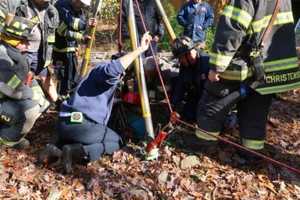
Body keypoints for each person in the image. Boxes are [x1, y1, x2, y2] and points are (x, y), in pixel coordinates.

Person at [195, 0, 300, 157]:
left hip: (242, 66)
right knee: (255, 115)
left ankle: (204, 147)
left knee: (212, 106)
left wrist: (217, 66)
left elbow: (232, 29)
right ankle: (251, 154)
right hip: (269, 70)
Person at [38, 32, 153, 173]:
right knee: (117, 141)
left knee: (81, 133)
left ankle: (56, 148)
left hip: (66, 122)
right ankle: (75, 152)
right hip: (81, 124)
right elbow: (113, 70)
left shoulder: (92, 74)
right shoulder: (106, 69)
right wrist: (140, 49)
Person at [0, 13, 50, 148]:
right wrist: (35, 97)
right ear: (14, 41)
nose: (28, 46)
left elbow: (25, 79)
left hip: (5, 98)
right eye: (25, 42)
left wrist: (40, 95)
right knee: (31, 108)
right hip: (6, 96)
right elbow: (12, 88)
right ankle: (5, 140)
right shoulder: (2, 58)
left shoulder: (14, 53)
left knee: (37, 102)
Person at [14, 0, 59, 102]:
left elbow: (53, 33)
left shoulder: (52, 11)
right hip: (25, 52)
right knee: (25, 79)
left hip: (42, 52)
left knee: (46, 78)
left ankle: (59, 103)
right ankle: (25, 104)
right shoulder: (21, 6)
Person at [53, 0, 95, 97]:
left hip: (71, 49)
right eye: (81, 3)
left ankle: (70, 97)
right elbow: (62, 30)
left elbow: (81, 27)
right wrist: (84, 26)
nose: (82, 6)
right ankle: (62, 99)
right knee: (63, 77)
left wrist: (84, 36)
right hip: (60, 49)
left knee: (72, 77)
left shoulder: (79, 10)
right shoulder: (61, 5)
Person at [170, 36, 209, 122]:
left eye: (181, 58)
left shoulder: (206, 63)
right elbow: (180, 87)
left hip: (209, 100)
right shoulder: (185, 67)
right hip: (196, 96)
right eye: (180, 59)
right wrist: (176, 109)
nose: (181, 61)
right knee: (187, 114)